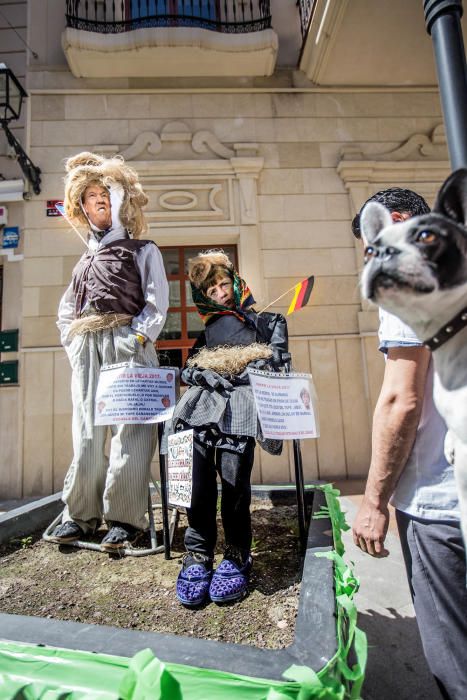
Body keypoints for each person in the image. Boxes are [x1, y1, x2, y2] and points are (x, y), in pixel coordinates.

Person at [351, 188, 467, 700]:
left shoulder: (411, 270)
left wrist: (374, 502)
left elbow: (402, 400)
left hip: (442, 505)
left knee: (456, 660)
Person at [52, 152, 169, 551]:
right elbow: (66, 309)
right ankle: (80, 516)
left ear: (120, 201)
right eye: (91, 196)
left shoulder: (142, 250)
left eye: (106, 193)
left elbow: (156, 303)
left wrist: (135, 339)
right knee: (86, 431)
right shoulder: (83, 261)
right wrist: (73, 341)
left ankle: (124, 518)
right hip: (87, 347)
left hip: (125, 341)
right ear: (82, 206)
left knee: (131, 432)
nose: (99, 200)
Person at [168, 250, 288, 606]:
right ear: (203, 296)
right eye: (212, 289)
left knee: (235, 484)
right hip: (202, 408)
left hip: (240, 410)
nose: (220, 293)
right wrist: (198, 372)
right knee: (196, 481)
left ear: (234, 283)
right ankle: (198, 554)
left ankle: (237, 553)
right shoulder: (208, 332)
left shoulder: (268, 322)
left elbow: (278, 365)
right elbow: (188, 367)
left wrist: (244, 368)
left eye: (223, 284)